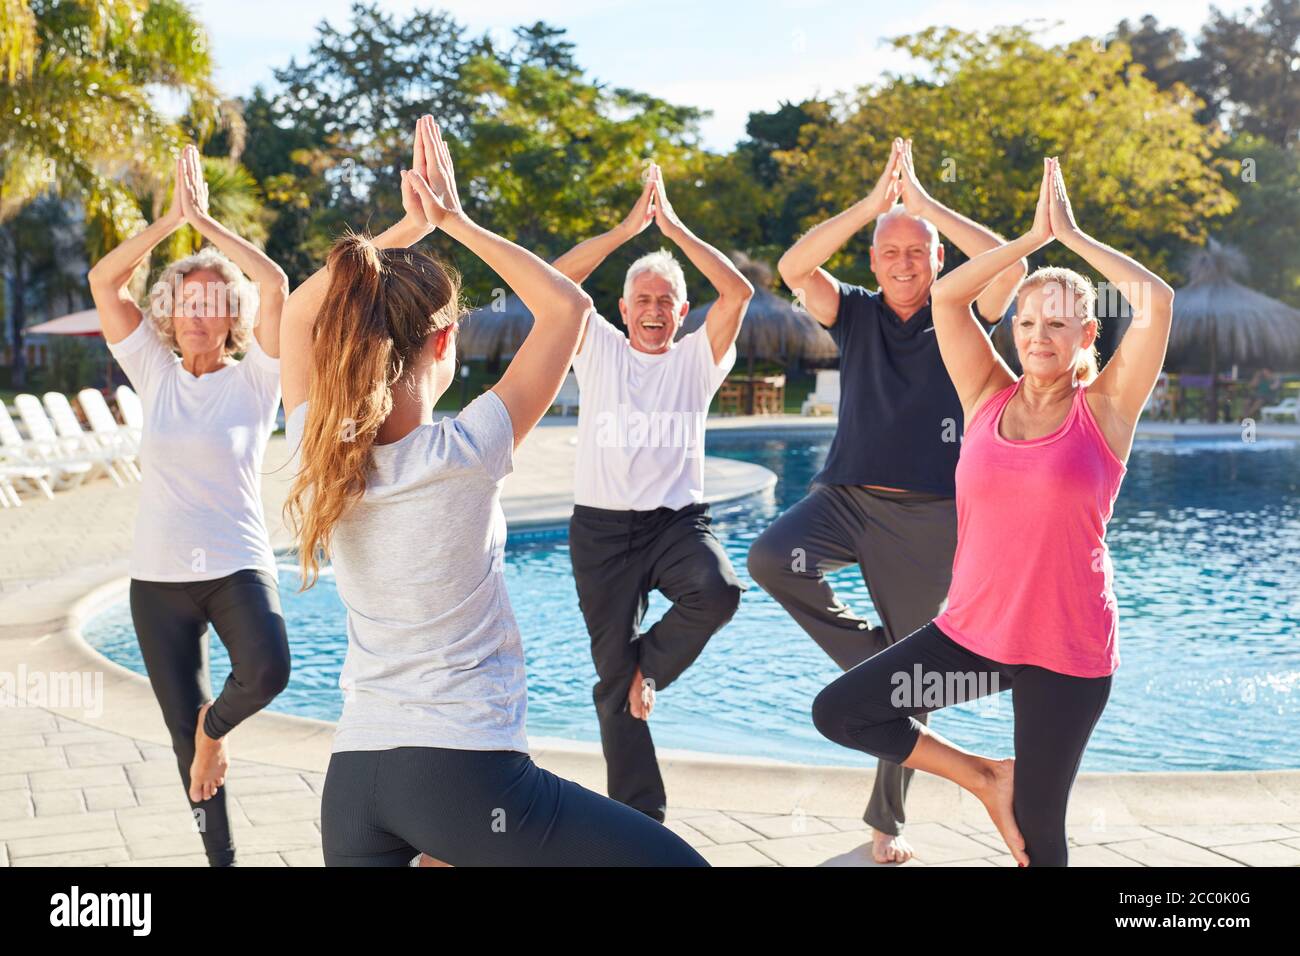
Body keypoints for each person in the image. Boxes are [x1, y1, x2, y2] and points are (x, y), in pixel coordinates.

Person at [280, 116, 706, 866]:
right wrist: (451, 220)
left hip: (353, 787)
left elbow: (295, 313)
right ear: (444, 343)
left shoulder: (317, 449)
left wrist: (400, 234)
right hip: (465, 778)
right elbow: (569, 309)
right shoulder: (468, 450)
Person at [811, 157, 1175, 867]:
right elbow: (949, 299)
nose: (1039, 335)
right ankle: (984, 776)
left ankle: (1012, 793)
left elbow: (1155, 299)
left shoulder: (1106, 411)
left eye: (1059, 325)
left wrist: (1067, 235)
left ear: (1086, 338)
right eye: (1028, 321)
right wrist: (1026, 244)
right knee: (843, 710)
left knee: (1038, 841)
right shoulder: (985, 395)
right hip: (972, 636)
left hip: (1065, 649)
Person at [747, 138, 1025, 863]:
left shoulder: (961, 312)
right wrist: (875, 206)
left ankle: (886, 826)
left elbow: (1013, 266)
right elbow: (794, 267)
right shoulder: (856, 313)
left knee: (913, 681)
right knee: (773, 559)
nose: (903, 262)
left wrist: (926, 205)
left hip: (930, 516)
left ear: (938, 260)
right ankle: (866, 656)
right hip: (844, 501)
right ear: (872, 262)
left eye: (917, 251)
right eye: (889, 252)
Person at [88, 145, 292, 867]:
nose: (199, 313)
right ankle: (223, 863)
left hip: (238, 565)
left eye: (214, 302)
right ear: (170, 313)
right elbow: (103, 279)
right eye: (186, 301)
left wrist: (206, 224)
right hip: (158, 580)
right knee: (184, 745)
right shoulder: (153, 369)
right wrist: (171, 220)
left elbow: (277, 280)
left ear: (231, 314)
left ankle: (216, 730)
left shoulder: (258, 376)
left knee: (267, 671)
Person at [550, 164, 753, 822]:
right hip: (603, 535)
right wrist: (625, 230)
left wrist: (674, 228)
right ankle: (643, 824)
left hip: (676, 528)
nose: (654, 310)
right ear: (622, 308)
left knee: (718, 590)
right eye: (643, 298)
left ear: (683, 311)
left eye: (667, 300)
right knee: (613, 689)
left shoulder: (698, 358)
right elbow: (556, 283)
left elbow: (739, 289)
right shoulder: (598, 347)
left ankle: (649, 670)